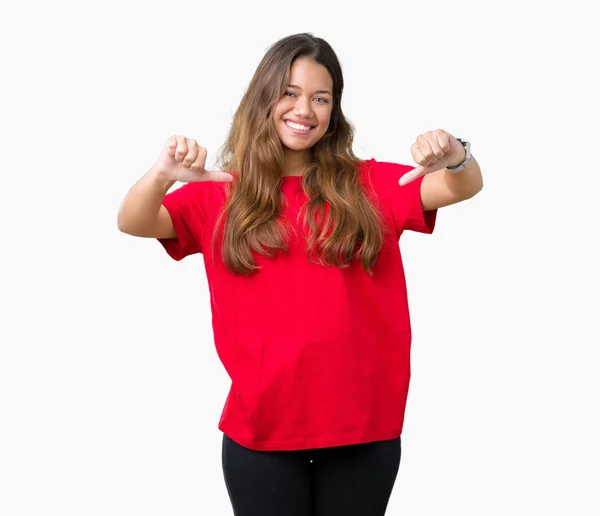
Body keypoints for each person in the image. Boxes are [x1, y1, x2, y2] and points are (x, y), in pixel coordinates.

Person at [117, 32, 483, 516]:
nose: (304, 109)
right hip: (261, 432)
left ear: (334, 111)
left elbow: (462, 187)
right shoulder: (221, 192)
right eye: (289, 92)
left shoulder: (367, 183)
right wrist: (162, 172)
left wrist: (457, 154)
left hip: (362, 429)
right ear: (264, 97)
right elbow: (134, 222)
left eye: (320, 98)